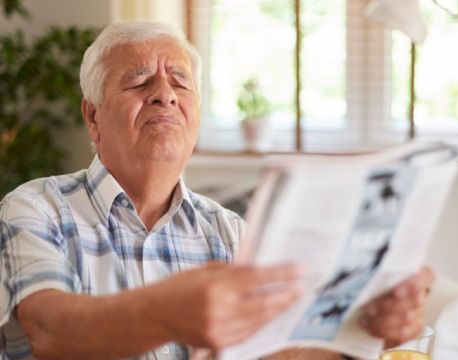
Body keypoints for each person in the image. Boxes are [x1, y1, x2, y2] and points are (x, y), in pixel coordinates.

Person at [0, 21, 434, 360]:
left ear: (197, 116)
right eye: (138, 81)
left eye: (180, 82)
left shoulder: (233, 234)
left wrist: (359, 333)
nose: (165, 95)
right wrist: (166, 311)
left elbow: (280, 354)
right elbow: (49, 333)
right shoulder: (35, 208)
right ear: (92, 116)